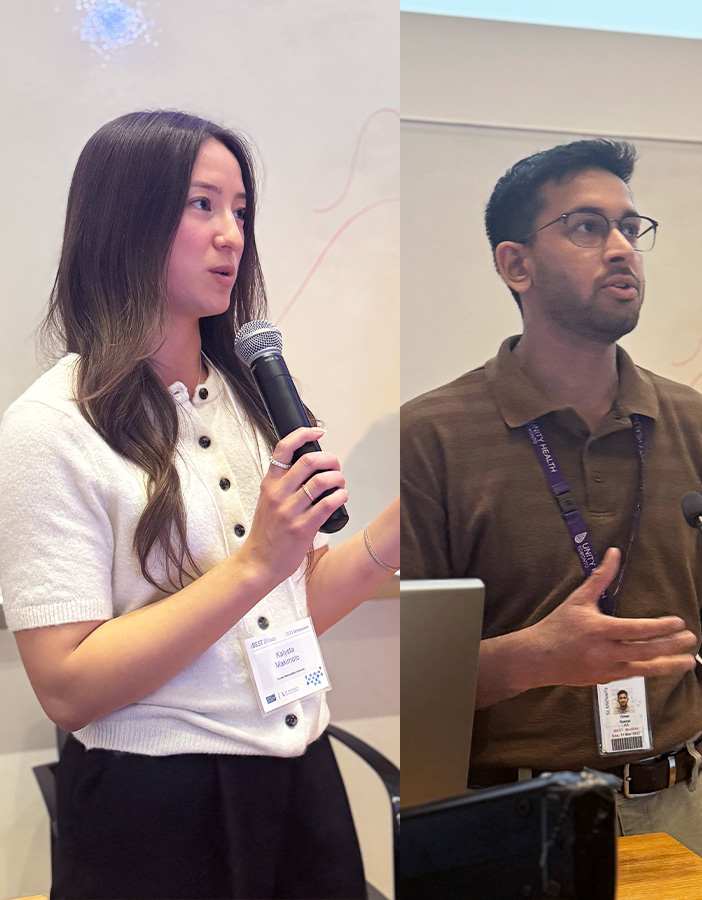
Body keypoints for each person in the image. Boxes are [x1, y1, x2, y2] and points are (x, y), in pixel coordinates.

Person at [0, 110, 401, 899]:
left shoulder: (253, 403)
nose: (232, 235)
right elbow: (67, 684)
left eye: (242, 211)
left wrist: (397, 531)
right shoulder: (48, 429)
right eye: (202, 205)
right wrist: (256, 564)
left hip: (298, 779)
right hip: (155, 809)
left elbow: (284, 610)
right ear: (125, 222)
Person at [399, 139, 702, 897]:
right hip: (512, 823)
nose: (621, 250)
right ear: (515, 264)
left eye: (630, 227)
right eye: (587, 227)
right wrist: (534, 657)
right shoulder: (431, 437)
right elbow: (397, 683)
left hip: (688, 805)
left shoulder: (693, 423)